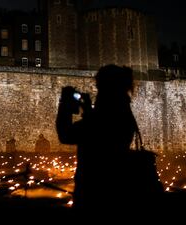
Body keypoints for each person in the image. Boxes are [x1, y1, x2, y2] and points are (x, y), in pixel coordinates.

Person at [56, 64, 155, 222]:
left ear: (106, 88)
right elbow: (104, 134)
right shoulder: (124, 112)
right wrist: (88, 112)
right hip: (119, 193)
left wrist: (66, 105)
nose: (97, 92)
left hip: (94, 196)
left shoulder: (103, 117)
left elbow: (66, 134)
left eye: (99, 87)